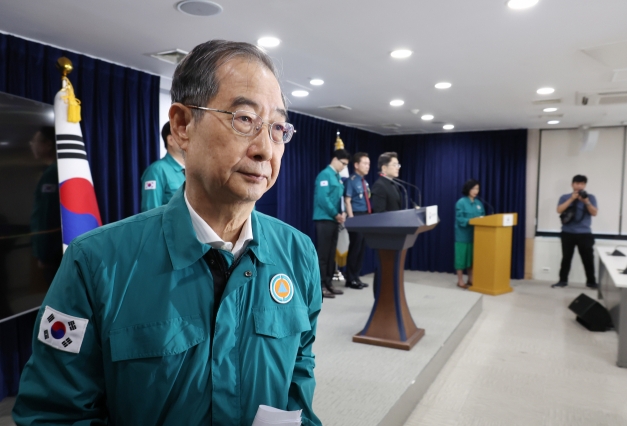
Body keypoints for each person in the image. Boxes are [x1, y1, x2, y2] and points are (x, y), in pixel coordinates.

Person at [13, 40, 322, 426]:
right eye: (244, 119)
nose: (265, 149)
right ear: (182, 126)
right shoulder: (95, 262)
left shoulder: (299, 254)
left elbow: (298, 377)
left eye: (277, 128)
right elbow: (53, 415)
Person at [313, 149, 350, 299]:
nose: (344, 167)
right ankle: (320, 286)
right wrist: (336, 214)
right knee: (323, 254)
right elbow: (323, 198)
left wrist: (342, 213)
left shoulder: (337, 177)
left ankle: (328, 283)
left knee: (330, 255)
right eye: (343, 164)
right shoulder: (325, 174)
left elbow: (339, 198)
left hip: (335, 219)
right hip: (324, 219)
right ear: (335, 159)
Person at [29, 126, 62, 285]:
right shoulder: (56, 170)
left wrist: (44, 254)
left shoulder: (52, 173)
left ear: (48, 144)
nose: (32, 145)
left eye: (34, 141)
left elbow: (47, 216)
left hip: (53, 254)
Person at [552, 174, 598, 289]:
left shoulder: (590, 197)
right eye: (577, 183)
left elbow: (594, 213)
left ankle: (591, 282)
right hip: (567, 233)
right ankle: (562, 281)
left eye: (582, 184)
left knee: (588, 259)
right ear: (572, 184)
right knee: (566, 258)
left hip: (584, 234)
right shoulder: (564, 197)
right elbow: (559, 210)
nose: (579, 186)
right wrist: (571, 199)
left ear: (585, 185)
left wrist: (586, 201)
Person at [140, 121, 186, 212]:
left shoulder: (193, 171)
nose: (189, 139)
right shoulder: (156, 171)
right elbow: (151, 213)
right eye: (184, 135)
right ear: (171, 140)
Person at [344, 152, 371, 289]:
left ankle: (356, 276)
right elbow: (347, 201)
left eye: (369, 164)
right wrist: (352, 219)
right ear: (356, 165)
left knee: (361, 248)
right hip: (356, 216)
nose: (368, 166)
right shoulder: (352, 180)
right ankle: (350, 278)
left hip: (366, 216)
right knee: (355, 248)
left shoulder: (364, 181)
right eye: (365, 163)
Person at [454, 179, 485, 289]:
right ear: (468, 189)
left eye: (477, 188)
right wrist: (472, 220)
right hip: (463, 235)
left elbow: (483, 218)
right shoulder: (461, 202)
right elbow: (460, 219)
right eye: (473, 188)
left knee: (472, 259)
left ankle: (471, 279)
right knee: (461, 259)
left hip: (476, 236)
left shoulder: (479, 203)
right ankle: (460, 280)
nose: (476, 191)